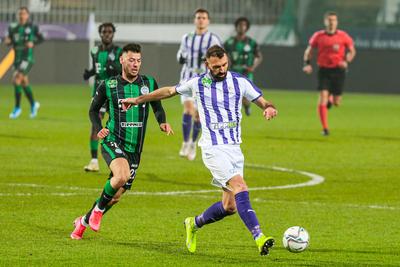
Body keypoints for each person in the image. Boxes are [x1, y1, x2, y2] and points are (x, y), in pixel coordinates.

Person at [122, 45, 278, 255]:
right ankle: (259, 237)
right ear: (207, 65)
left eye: (224, 65)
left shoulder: (239, 81)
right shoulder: (197, 83)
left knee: (230, 206)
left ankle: (193, 224)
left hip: (234, 149)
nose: (221, 69)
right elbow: (169, 91)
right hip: (213, 149)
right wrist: (138, 99)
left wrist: (268, 107)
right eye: (216, 67)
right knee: (240, 186)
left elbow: (262, 100)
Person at [71, 43, 173, 240]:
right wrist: (99, 127)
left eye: (138, 60)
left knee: (116, 196)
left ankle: (83, 222)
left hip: (135, 148)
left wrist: (162, 122)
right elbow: (93, 110)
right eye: (131, 60)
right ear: (122, 60)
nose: (135, 64)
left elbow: (157, 106)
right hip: (113, 140)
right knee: (121, 175)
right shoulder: (108, 85)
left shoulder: (149, 83)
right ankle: (98, 210)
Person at [177, 8, 221, 161]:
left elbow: (220, 59)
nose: (201, 20)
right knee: (188, 109)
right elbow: (180, 54)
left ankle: (193, 143)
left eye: (203, 17)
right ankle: (184, 141)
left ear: (208, 21)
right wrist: (181, 57)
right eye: (198, 17)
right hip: (187, 78)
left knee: (199, 115)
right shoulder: (187, 38)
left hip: (206, 80)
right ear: (194, 20)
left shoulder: (213, 39)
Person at [303, 11, 356, 136]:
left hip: (339, 70)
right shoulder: (318, 36)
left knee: (337, 102)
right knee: (322, 97)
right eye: (329, 20)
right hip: (324, 70)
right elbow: (309, 51)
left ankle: (332, 99)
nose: (332, 22)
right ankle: (325, 128)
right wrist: (307, 64)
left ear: (337, 22)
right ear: (325, 21)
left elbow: (352, 51)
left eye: (334, 20)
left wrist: (347, 60)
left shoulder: (343, 36)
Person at [83, 22, 122, 172]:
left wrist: (116, 68)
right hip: (98, 93)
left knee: (117, 127)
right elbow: (97, 69)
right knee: (95, 126)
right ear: (100, 34)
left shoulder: (119, 51)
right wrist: (90, 73)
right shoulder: (94, 50)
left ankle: (119, 162)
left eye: (110, 32)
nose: (107, 34)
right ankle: (94, 161)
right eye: (104, 32)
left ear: (113, 34)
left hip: (113, 93)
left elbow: (122, 70)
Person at [4, 6, 43, 119]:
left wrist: (33, 42)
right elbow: (8, 40)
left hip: (28, 58)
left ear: (27, 15)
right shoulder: (13, 27)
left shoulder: (32, 27)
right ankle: (33, 104)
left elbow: (41, 38)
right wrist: (7, 41)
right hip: (17, 59)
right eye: (20, 14)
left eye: (23, 14)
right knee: (24, 82)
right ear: (17, 15)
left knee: (16, 79)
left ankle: (17, 108)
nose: (21, 16)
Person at [224, 17, 263, 116]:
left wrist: (253, 67)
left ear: (247, 28)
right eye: (239, 25)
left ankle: (247, 106)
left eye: (244, 25)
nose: (241, 27)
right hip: (233, 71)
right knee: (233, 94)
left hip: (246, 72)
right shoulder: (229, 42)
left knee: (245, 96)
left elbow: (259, 57)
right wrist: (225, 65)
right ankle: (233, 113)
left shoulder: (252, 43)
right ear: (236, 27)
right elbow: (222, 55)